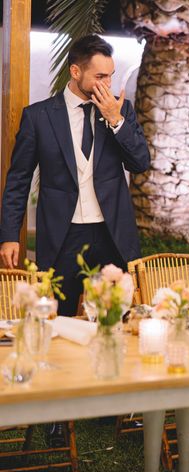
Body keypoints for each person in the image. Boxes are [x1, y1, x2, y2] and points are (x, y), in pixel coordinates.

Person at [0, 34, 150, 317]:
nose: (107, 85)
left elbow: (140, 163)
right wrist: (9, 235)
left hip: (112, 235)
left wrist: (115, 121)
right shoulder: (38, 117)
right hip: (62, 236)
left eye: (111, 76)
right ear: (76, 71)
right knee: (58, 319)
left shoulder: (121, 111)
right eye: (100, 76)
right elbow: (18, 180)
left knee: (115, 320)